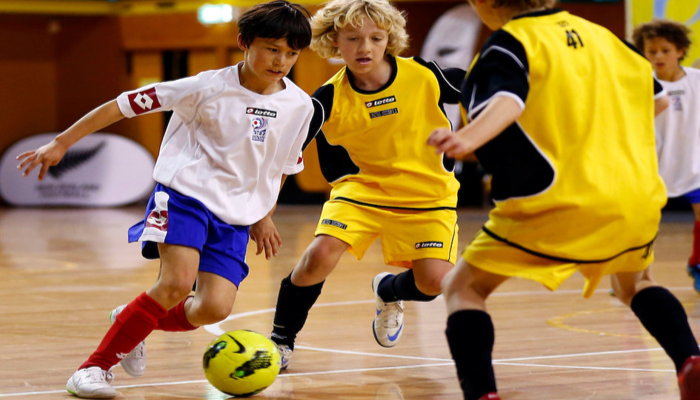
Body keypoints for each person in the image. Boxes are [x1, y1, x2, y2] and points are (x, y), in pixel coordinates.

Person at [16, 1, 314, 398]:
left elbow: (277, 169)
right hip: (184, 195)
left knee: (213, 308)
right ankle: (92, 369)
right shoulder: (203, 87)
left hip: (237, 214)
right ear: (244, 42)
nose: (281, 60)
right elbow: (121, 105)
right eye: (272, 48)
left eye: (292, 53)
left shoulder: (300, 106)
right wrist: (62, 143)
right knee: (175, 284)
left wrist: (263, 215)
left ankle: (132, 318)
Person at [426, 0, 700, 399]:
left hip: (554, 200)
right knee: (636, 284)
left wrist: (465, 138)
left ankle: (482, 394)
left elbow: (507, 101)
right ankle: (690, 360)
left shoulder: (509, 42)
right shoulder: (608, 39)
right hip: (632, 197)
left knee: (462, 289)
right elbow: (656, 100)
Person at [269, 0, 466, 369]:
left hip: (428, 195)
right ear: (334, 42)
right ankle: (281, 342)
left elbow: (487, 88)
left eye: (376, 38)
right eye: (353, 38)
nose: (365, 48)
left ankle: (388, 289)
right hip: (363, 191)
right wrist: (264, 210)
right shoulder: (327, 98)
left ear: (388, 40)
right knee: (319, 256)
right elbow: (286, 155)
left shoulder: (424, 75)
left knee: (433, 282)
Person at [634, 19, 700, 294]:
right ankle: (637, 276)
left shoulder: (696, 79)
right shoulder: (639, 84)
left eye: (665, 50)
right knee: (643, 225)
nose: (658, 56)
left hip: (693, 164)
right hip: (652, 166)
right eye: (652, 51)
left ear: (681, 51)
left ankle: (697, 265)